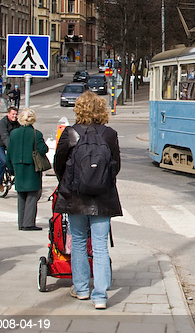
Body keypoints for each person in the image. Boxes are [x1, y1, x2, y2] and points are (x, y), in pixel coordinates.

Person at [54, 91, 121, 310]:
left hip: (76, 198)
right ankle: (100, 296)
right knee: (101, 246)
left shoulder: (71, 133)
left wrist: (70, 182)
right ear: (101, 109)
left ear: (79, 109)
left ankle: (81, 289)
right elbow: (116, 166)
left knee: (79, 242)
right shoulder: (109, 134)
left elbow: (59, 164)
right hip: (103, 198)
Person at [6, 109, 48, 231]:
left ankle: (21, 222)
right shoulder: (37, 134)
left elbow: (9, 152)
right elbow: (43, 149)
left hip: (17, 166)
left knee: (21, 194)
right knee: (33, 194)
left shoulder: (14, 134)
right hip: (32, 166)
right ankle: (29, 223)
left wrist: (10, 168)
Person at [0, 107, 19, 193]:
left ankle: (12, 174)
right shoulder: (3, 123)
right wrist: (11, 149)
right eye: (13, 114)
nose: (14, 116)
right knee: (4, 161)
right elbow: (5, 137)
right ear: (8, 114)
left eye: (16, 114)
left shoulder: (16, 123)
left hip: (8, 145)